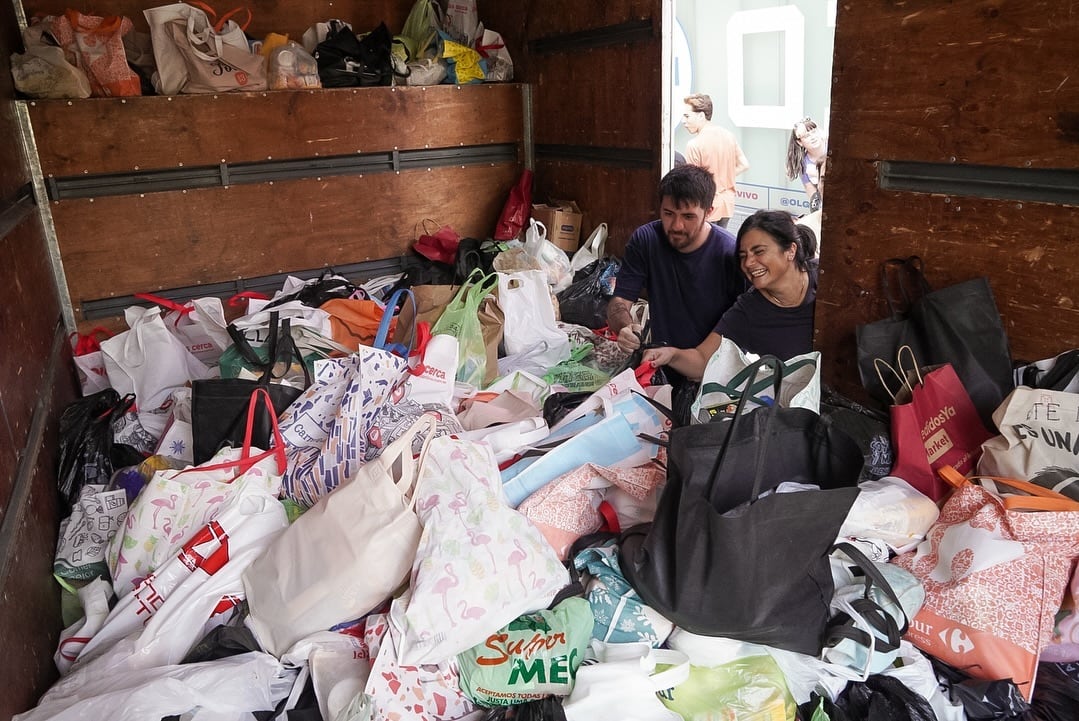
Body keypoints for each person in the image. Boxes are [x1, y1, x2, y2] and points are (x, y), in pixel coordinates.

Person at [642, 209, 819, 379]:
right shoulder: (749, 310)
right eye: (743, 255)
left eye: (759, 252)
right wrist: (671, 355)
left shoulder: (826, 280)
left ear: (790, 250)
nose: (749, 262)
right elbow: (703, 360)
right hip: (797, 406)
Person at [607, 164, 745, 358]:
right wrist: (624, 327)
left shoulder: (730, 253)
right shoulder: (645, 240)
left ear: (709, 212)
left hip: (713, 367)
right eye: (668, 213)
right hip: (661, 359)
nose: (677, 226)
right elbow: (620, 301)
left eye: (688, 216)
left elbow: (745, 323)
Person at [681, 93, 750, 228]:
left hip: (707, 206)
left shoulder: (694, 144)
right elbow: (744, 165)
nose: (683, 121)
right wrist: (724, 177)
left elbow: (693, 184)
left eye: (687, 116)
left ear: (701, 116)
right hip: (727, 205)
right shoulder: (729, 136)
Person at [785, 117, 828, 211]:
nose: (812, 137)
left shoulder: (834, 149)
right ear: (799, 142)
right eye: (806, 136)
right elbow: (813, 196)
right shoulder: (802, 164)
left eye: (814, 132)